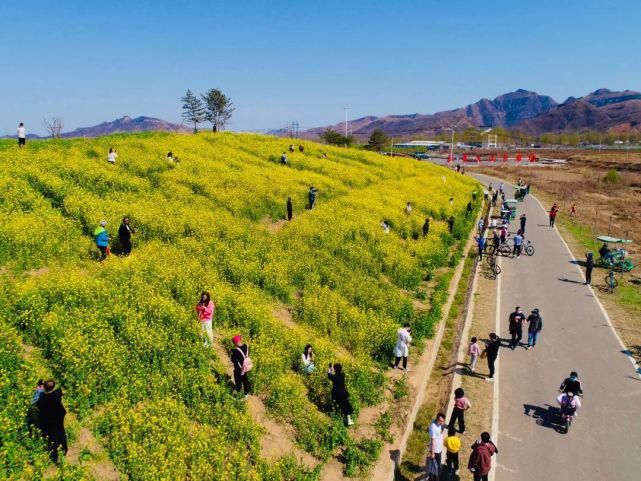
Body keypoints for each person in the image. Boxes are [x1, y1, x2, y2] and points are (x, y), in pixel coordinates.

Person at [36, 380, 68, 463]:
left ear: (44, 387)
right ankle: (64, 449)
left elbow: (37, 404)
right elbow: (60, 391)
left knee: (52, 436)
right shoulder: (57, 393)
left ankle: (54, 456)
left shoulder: (42, 399)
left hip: (49, 420)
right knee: (61, 431)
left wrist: (39, 390)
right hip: (59, 416)